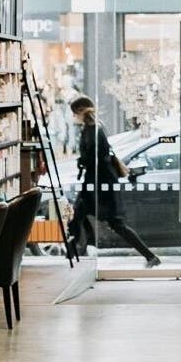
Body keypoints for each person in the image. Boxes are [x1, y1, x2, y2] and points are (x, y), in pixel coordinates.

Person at [67, 96, 161, 268]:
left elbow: (95, 157)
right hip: (99, 182)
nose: (74, 117)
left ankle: (150, 256)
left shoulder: (92, 130)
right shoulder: (94, 128)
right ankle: (73, 254)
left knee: (115, 223)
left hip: (100, 184)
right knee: (79, 214)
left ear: (80, 111)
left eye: (75, 113)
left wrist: (83, 161)